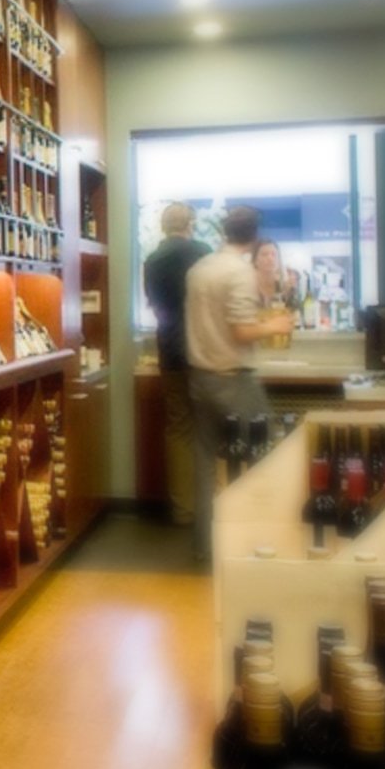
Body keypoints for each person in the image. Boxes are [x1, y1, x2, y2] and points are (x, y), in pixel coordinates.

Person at [186, 207, 296, 561]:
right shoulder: (240, 273)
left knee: (206, 467)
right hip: (234, 378)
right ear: (253, 235)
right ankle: (255, 544)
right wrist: (277, 326)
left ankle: (208, 546)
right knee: (263, 459)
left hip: (199, 376)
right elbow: (241, 330)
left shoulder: (200, 268)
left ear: (224, 230)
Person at [143, 203, 210, 531]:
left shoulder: (152, 261)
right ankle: (213, 507)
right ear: (191, 224)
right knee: (209, 428)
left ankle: (183, 510)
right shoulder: (203, 253)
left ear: (163, 226)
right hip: (205, 351)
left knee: (179, 429)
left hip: (169, 351)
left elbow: (156, 307)